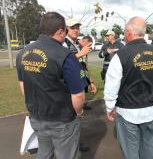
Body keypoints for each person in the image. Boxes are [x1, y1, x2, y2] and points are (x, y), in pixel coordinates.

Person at [16, 12, 87, 159]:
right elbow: (78, 94)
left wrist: (34, 106)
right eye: (65, 31)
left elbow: (23, 85)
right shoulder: (66, 56)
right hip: (62, 120)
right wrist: (79, 113)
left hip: (37, 116)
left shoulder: (23, 53)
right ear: (60, 31)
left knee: (44, 152)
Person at [104, 17, 153, 159]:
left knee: (130, 150)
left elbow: (112, 85)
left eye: (125, 31)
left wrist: (109, 107)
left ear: (128, 32)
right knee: (149, 147)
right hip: (149, 109)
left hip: (127, 111)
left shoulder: (121, 55)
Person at [64, 18, 96, 152]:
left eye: (78, 27)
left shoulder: (76, 43)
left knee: (76, 118)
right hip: (68, 86)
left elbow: (82, 66)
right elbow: (63, 62)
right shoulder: (63, 44)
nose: (76, 30)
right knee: (70, 118)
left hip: (78, 82)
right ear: (66, 29)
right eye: (73, 27)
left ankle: (75, 142)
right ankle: (70, 145)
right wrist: (80, 53)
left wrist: (90, 82)